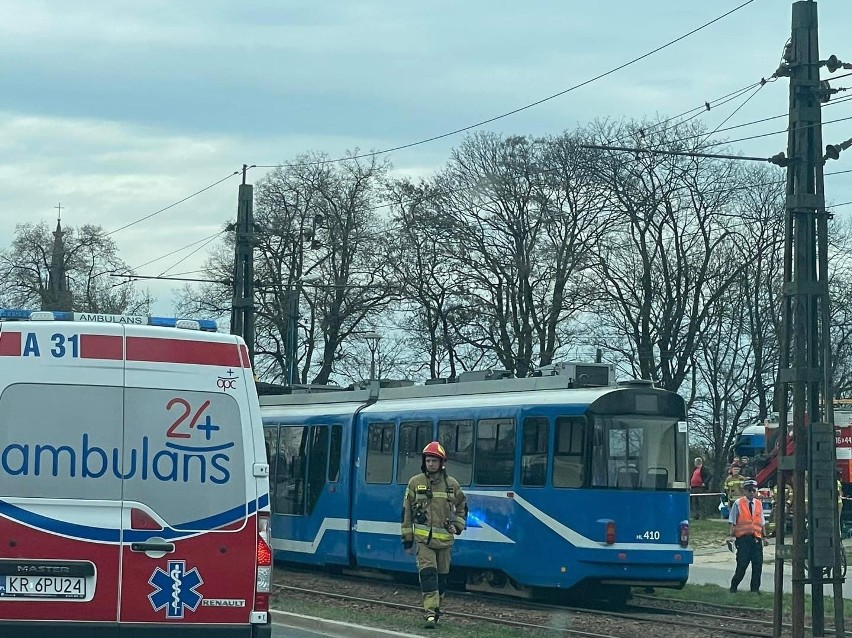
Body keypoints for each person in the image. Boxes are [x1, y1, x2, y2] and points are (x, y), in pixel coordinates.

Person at [401, 441, 468, 629]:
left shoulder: (452, 485)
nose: (430, 464)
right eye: (428, 460)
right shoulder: (415, 483)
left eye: (434, 460)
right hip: (424, 542)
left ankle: (436, 611)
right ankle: (430, 614)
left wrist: (458, 525)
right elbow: (406, 513)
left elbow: (463, 506)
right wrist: (407, 541)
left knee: (442, 579)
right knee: (429, 576)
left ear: (441, 463)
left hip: (445, 542)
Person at [728, 479, 768, 593]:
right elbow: (732, 521)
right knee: (742, 564)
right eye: (749, 490)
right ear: (744, 491)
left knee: (757, 565)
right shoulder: (738, 503)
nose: (752, 493)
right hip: (743, 539)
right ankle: (733, 587)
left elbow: (762, 521)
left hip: (756, 538)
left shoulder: (758, 503)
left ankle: (755, 590)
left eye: (753, 490)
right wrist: (730, 536)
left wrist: (764, 537)